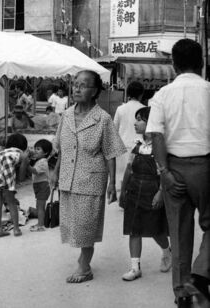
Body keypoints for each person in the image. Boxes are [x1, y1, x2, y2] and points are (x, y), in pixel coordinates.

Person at [147, 39, 210, 307]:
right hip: (206, 168)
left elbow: (155, 134)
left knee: (179, 233)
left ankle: (183, 296)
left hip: (173, 168)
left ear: (173, 65)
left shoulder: (163, 95)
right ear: (202, 62)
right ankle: (200, 274)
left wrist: (165, 173)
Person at [51, 70, 126, 283]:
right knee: (73, 223)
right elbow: (62, 148)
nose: (76, 88)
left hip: (91, 178)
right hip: (68, 176)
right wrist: (55, 172)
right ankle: (84, 259)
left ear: (95, 91)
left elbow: (110, 153)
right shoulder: (66, 115)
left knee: (86, 225)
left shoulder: (103, 119)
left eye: (83, 85)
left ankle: (84, 267)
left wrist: (112, 183)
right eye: (75, 84)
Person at [119, 107, 171, 281]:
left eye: (140, 119)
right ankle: (135, 268)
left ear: (151, 123)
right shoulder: (136, 144)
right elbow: (128, 169)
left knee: (156, 229)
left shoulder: (160, 146)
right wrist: (123, 190)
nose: (136, 123)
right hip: (134, 190)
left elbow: (164, 173)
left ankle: (166, 252)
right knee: (134, 230)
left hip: (152, 190)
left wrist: (160, 193)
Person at [114, 81, 146, 190]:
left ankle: (123, 201)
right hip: (139, 149)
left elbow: (114, 130)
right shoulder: (144, 110)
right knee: (135, 177)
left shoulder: (120, 109)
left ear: (128, 94)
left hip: (122, 147)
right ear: (141, 94)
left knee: (122, 178)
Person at [22, 139, 53, 232]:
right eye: (35, 148)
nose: (35, 151)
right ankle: (40, 222)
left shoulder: (43, 162)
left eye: (38, 149)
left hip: (43, 186)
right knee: (39, 205)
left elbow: (35, 171)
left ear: (45, 152)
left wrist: (26, 164)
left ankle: (40, 225)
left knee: (40, 207)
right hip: (39, 186)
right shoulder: (39, 160)